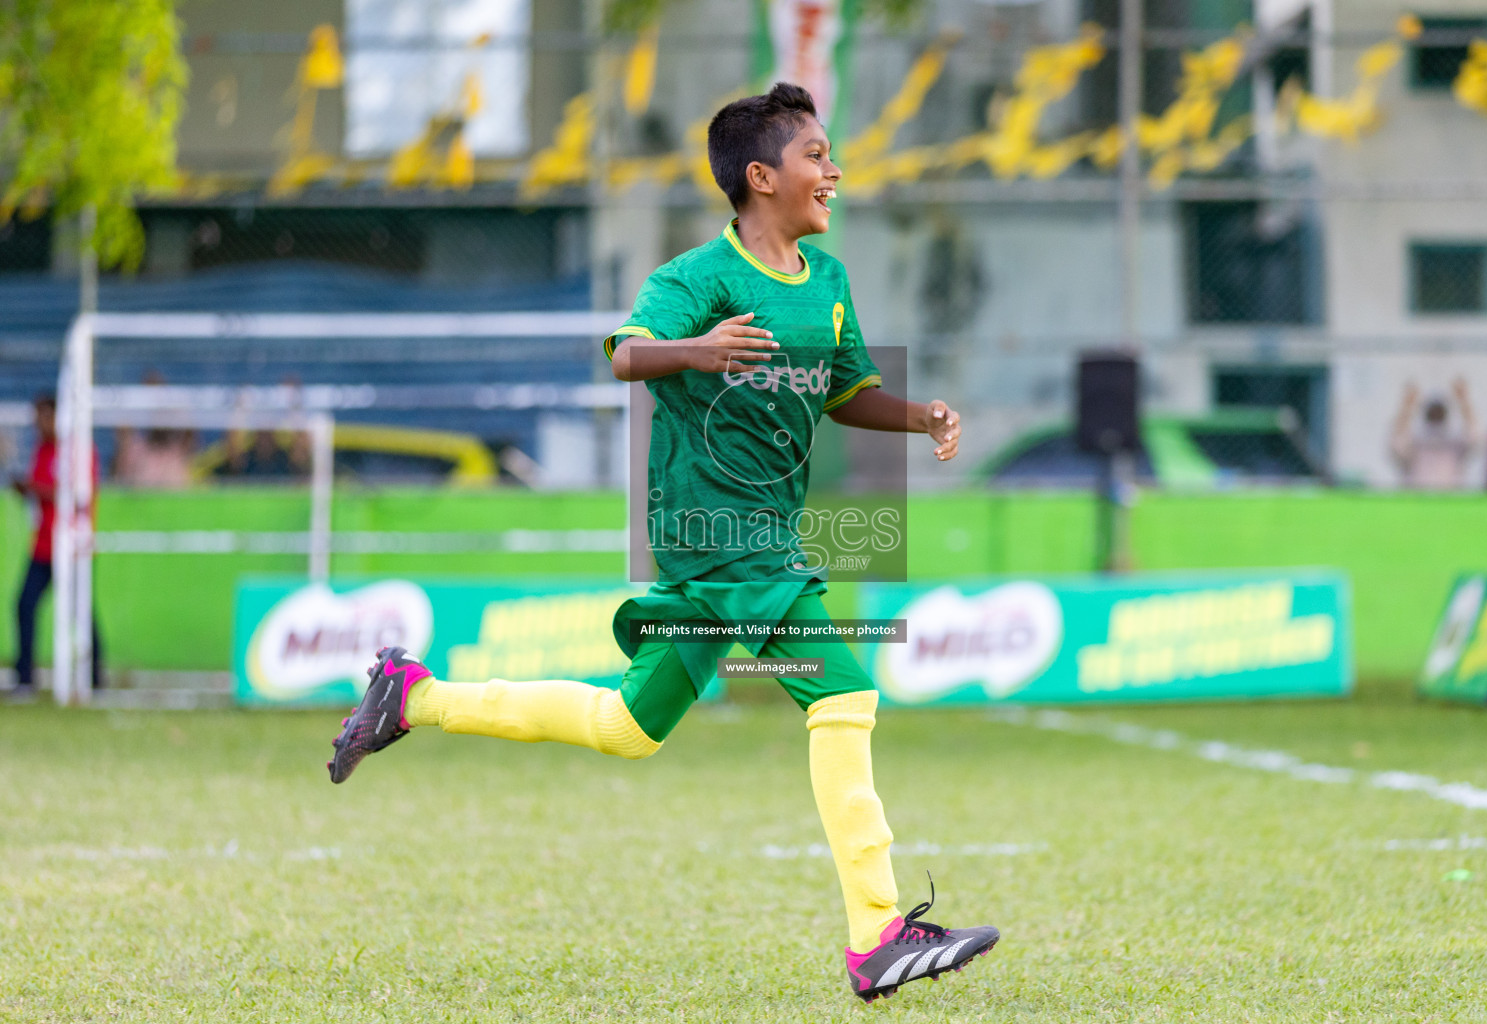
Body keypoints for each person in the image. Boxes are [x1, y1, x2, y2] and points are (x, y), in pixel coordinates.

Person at [327, 83, 998, 1002]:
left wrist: (920, 416)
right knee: (844, 693)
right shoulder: (698, 279)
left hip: (755, 533)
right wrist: (701, 349)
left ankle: (415, 696)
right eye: (816, 157)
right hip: (717, 534)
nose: (834, 173)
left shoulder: (830, 283)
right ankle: (877, 933)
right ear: (761, 178)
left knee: (628, 727)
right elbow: (624, 352)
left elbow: (846, 391)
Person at [10, 394, 102, 696]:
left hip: (71, 545)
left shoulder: (79, 449)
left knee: (81, 613)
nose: (38, 423)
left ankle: (96, 679)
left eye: (43, 416)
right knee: (24, 606)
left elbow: (79, 495)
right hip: (43, 546)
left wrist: (34, 489)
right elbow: (43, 493)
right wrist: (25, 490)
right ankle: (24, 679)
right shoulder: (42, 449)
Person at [1391, 377, 1476, 489]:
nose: (1436, 416)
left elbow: (1474, 437)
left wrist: (1463, 400)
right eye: (1433, 413)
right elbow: (1397, 444)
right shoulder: (1416, 443)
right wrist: (1407, 405)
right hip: (1418, 499)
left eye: (1438, 413)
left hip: (1450, 500)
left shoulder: (1454, 443)